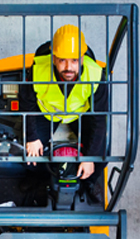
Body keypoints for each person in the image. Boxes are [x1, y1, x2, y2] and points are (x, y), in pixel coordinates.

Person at [18, 24, 109, 202]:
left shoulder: (96, 75)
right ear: (53, 58)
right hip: (47, 113)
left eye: (74, 60)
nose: (68, 67)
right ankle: (36, 179)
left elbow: (100, 118)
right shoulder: (37, 70)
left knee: (102, 152)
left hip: (79, 115)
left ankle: (89, 181)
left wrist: (89, 157)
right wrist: (32, 137)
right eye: (62, 60)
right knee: (26, 152)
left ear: (82, 59)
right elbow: (26, 103)